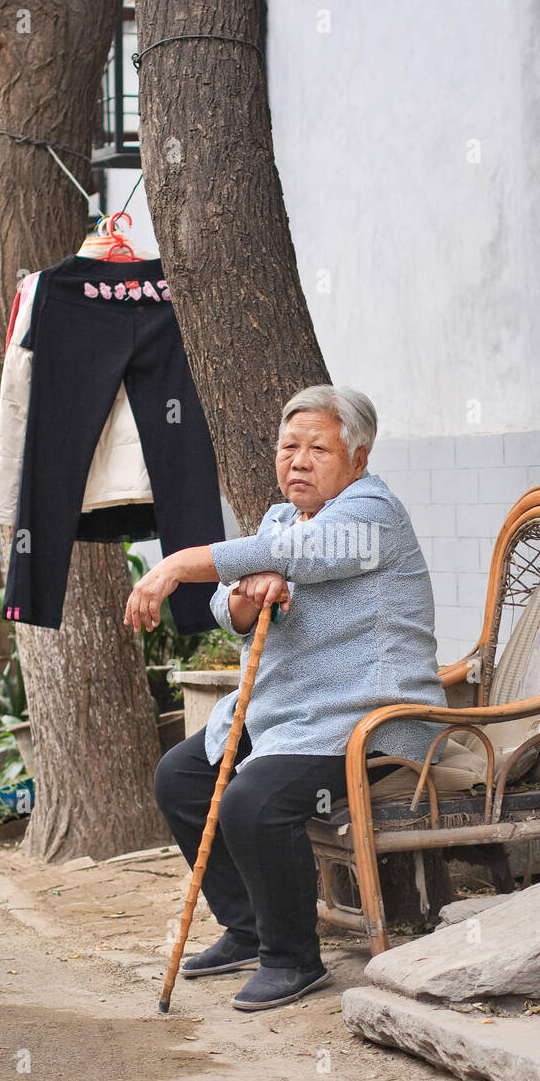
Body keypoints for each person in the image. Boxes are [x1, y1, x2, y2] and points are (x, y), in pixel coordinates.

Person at [124, 386, 447, 1011]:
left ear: (357, 456)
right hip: (288, 715)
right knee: (181, 778)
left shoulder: (371, 513)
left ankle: (293, 957)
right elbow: (230, 608)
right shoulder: (280, 519)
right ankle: (246, 928)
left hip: (366, 719)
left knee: (253, 802)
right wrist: (249, 591)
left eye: (317, 448)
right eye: (288, 446)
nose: (297, 460)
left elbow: (290, 556)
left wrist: (174, 568)